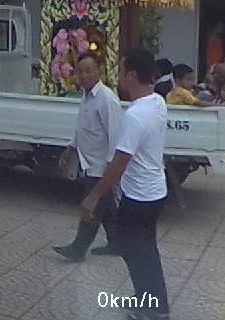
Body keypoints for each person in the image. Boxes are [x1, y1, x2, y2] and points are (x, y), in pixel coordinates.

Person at [82, 48, 170, 320]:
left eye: (121, 70)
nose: (118, 75)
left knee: (137, 251)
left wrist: (94, 196)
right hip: (155, 191)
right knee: (143, 248)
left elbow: (119, 162)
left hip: (140, 197)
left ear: (131, 75)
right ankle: (148, 299)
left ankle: (154, 309)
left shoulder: (135, 115)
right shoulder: (157, 102)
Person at [53, 53, 121, 262]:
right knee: (105, 207)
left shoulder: (107, 99)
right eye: (80, 71)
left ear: (99, 71)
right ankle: (117, 243)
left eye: (88, 70)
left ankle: (78, 248)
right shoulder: (86, 96)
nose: (84, 75)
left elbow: (116, 137)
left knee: (90, 206)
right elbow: (81, 127)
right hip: (88, 162)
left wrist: (111, 169)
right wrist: (70, 148)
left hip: (101, 166)